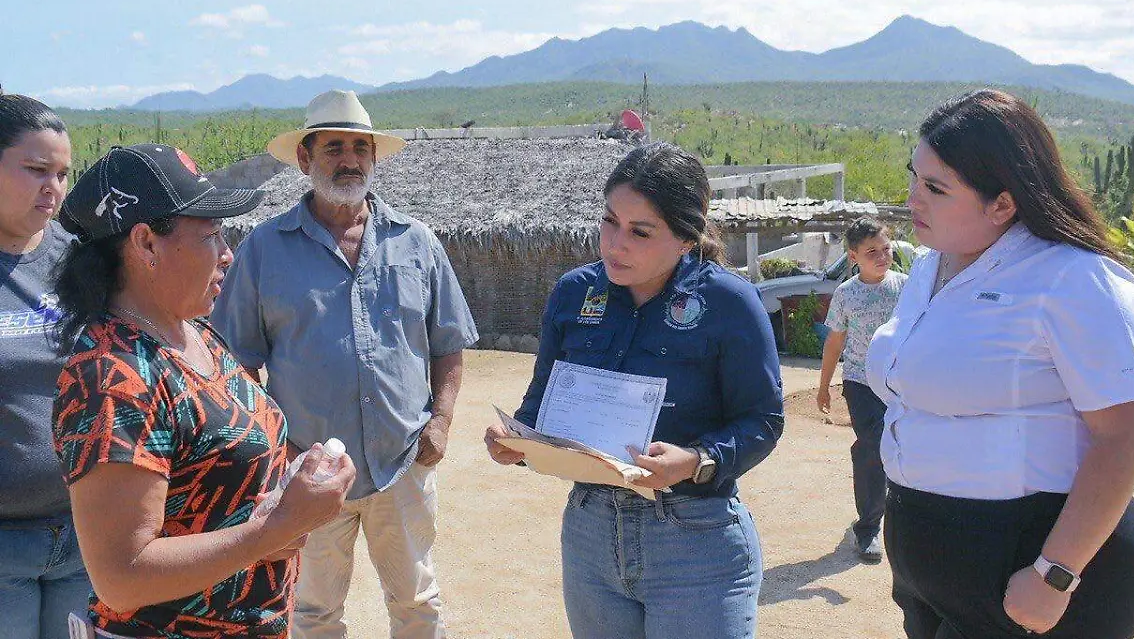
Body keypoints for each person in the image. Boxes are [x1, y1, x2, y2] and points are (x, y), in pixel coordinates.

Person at [865, 89, 1134, 638]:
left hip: (1034, 562)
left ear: (1003, 203)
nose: (912, 199)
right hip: (931, 560)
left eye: (936, 187)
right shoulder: (929, 270)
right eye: (914, 176)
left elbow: (1127, 435)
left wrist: (1054, 574)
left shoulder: (1074, 279)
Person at [50, 143, 355, 638]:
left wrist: (290, 496)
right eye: (212, 235)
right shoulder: (112, 379)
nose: (228, 254)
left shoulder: (194, 334)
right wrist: (271, 530)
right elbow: (122, 576)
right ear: (146, 244)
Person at [484, 142, 785, 639]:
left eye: (640, 232)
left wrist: (694, 460)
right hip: (590, 535)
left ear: (686, 239)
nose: (614, 244)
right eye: (609, 221)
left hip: (695, 542)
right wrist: (515, 440)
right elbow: (541, 402)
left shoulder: (730, 302)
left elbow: (763, 421)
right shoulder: (573, 293)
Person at [212, 90, 478, 639]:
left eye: (361, 147)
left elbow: (448, 340)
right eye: (334, 147)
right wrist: (274, 451)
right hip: (307, 471)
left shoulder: (416, 243)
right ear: (305, 160)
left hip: (401, 462)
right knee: (312, 614)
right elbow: (234, 364)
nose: (350, 159)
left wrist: (442, 422)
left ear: (374, 158)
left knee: (417, 604)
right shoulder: (264, 249)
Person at [0, 92, 90, 639]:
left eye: (62, 173)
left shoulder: (80, 258)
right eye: (36, 170)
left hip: (86, 534)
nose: (53, 188)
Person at [816, 216, 907, 562]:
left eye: (886, 249)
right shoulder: (846, 294)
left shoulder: (907, 286)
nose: (882, 256)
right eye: (872, 252)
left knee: (900, 444)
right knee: (872, 444)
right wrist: (824, 386)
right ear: (854, 256)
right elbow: (835, 341)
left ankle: (901, 517)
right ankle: (868, 528)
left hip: (901, 383)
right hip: (860, 382)